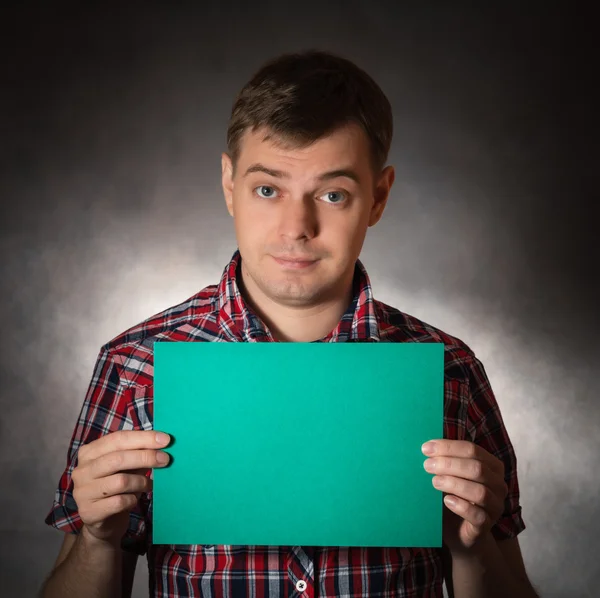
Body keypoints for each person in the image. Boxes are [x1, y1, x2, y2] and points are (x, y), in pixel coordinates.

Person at [41, 49, 539, 598]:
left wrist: (472, 547)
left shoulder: (451, 371)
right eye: (267, 189)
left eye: (332, 194)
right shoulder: (135, 366)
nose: (297, 227)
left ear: (378, 197)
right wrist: (96, 539)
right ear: (229, 184)